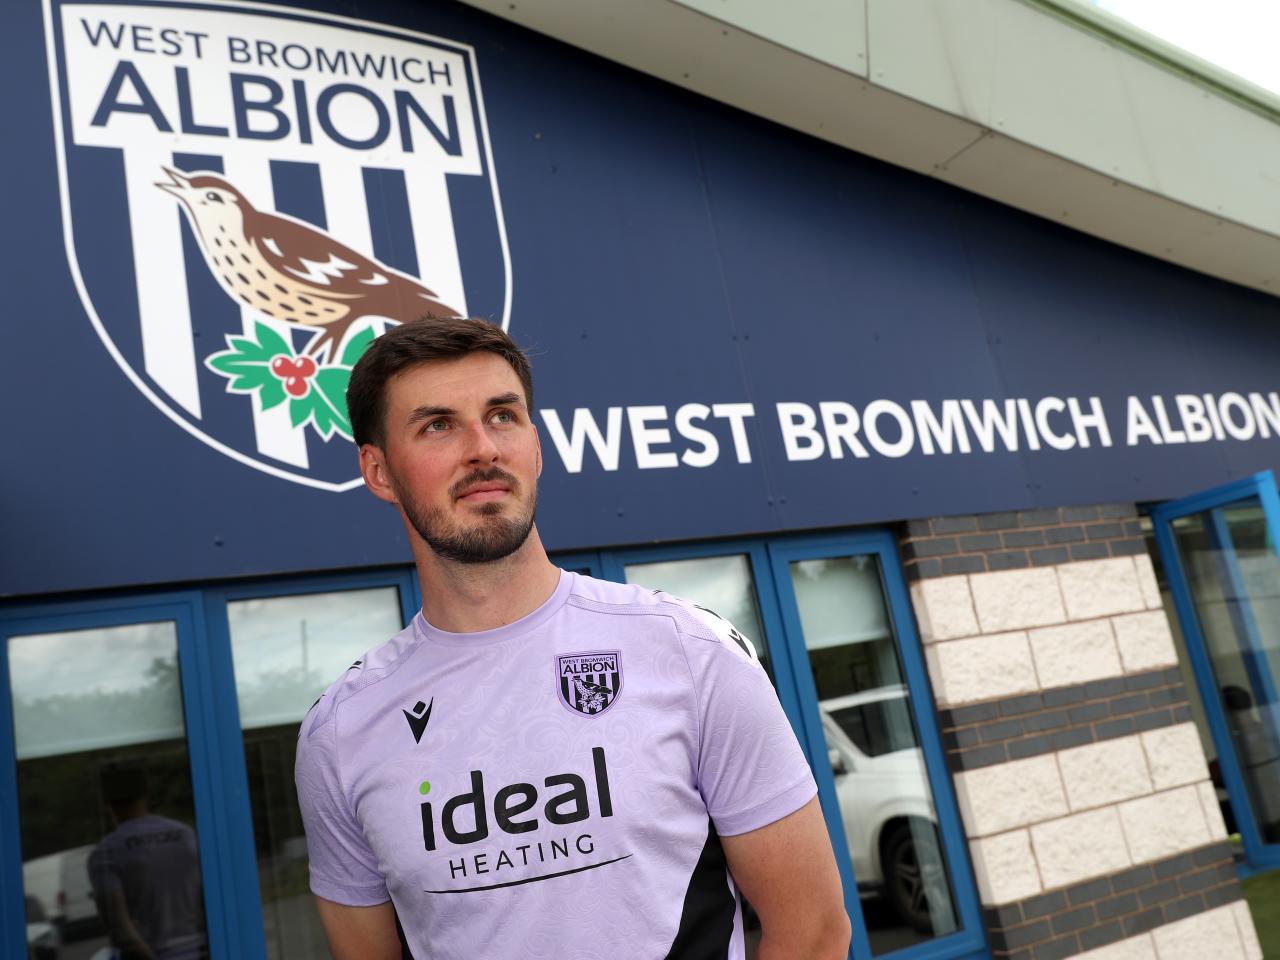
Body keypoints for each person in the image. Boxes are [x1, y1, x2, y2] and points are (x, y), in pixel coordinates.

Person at [295, 316, 851, 959]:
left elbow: (813, 929)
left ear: (534, 444)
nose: (483, 448)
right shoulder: (341, 732)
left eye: (503, 415)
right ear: (379, 471)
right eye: (438, 425)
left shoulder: (688, 652)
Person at [86, 763, 208, 960]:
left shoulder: (105, 853)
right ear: (146, 794)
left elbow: (122, 932)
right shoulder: (186, 835)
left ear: (107, 804)